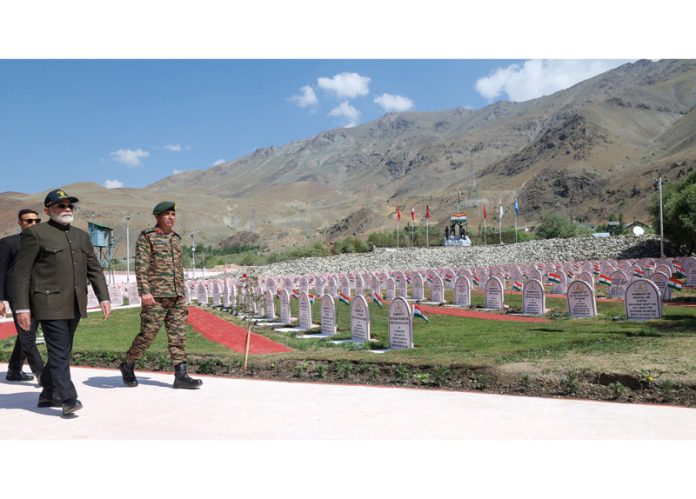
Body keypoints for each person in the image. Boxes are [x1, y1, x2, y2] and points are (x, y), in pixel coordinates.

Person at [14, 189, 111, 416]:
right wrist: (22, 307)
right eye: (61, 206)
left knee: (63, 352)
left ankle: (48, 393)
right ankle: (68, 398)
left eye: (70, 206)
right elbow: (21, 274)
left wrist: (103, 297)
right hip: (47, 303)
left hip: (75, 303)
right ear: (47, 210)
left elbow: (94, 269)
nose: (67, 209)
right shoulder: (36, 234)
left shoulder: (80, 236)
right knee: (59, 352)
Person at [119, 201, 202, 389]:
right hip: (155, 297)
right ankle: (128, 365)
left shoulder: (176, 239)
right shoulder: (147, 237)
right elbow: (141, 266)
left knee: (178, 336)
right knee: (148, 335)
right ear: (157, 217)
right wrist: (145, 292)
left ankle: (181, 374)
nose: (170, 217)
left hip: (177, 296)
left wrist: (182, 292)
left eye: (173, 214)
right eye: (166, 214)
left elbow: (178, 269)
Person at [0, 209, 46, 383]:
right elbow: (1, 272)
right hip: (17, 295)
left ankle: (14, 370)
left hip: (39, 294)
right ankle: (42, 374)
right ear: (20, 223)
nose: (33, 224)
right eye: (28, 221)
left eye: (36, 221)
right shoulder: (8, 243)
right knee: (27, 333)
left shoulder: (44, 243)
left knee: (27, 333)